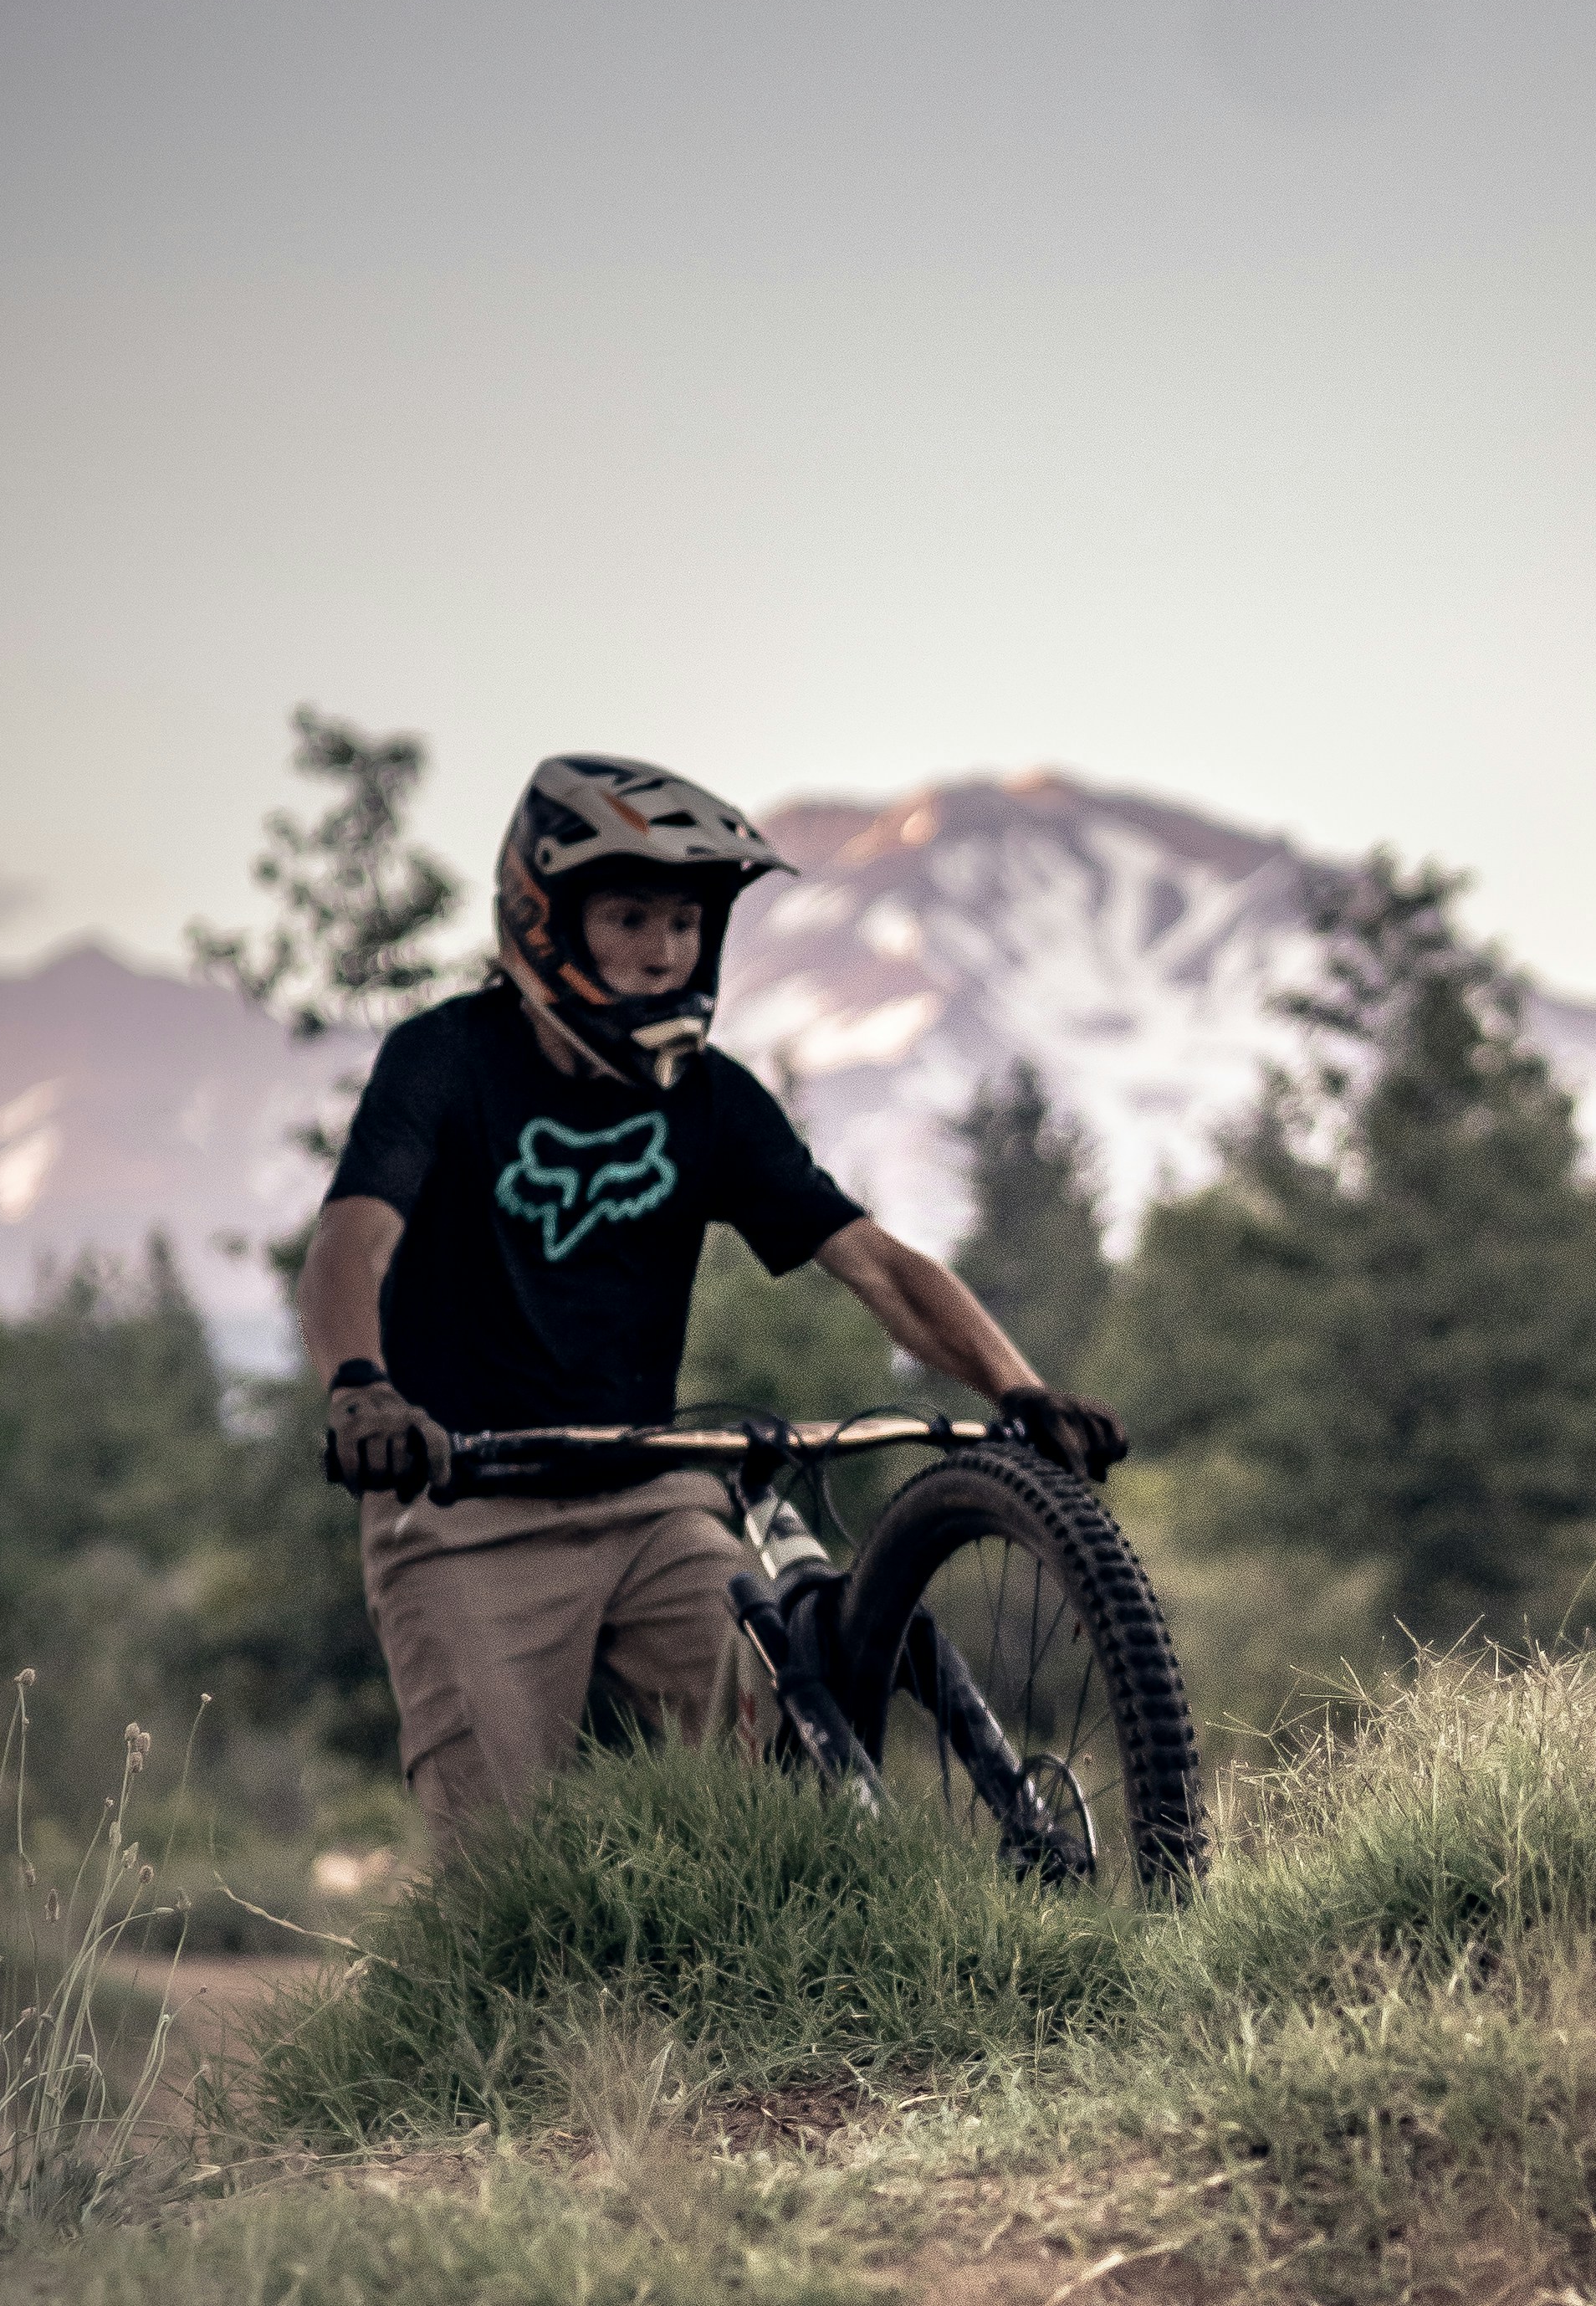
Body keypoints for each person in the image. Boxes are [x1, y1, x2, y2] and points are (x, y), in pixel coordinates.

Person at [301, 752, 1125, 1852]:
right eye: (630, 918)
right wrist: (361, 1390)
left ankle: (787, 1953)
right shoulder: (446, 1060)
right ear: (545, 920)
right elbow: (352, 1240)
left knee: (781, 1766)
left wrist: (1018, 1388)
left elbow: (876, 1264)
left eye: (686, 923)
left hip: (648, 1496)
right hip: (465, 1510)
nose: (664, 950)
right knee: (495, 1862)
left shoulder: (714, 1100)